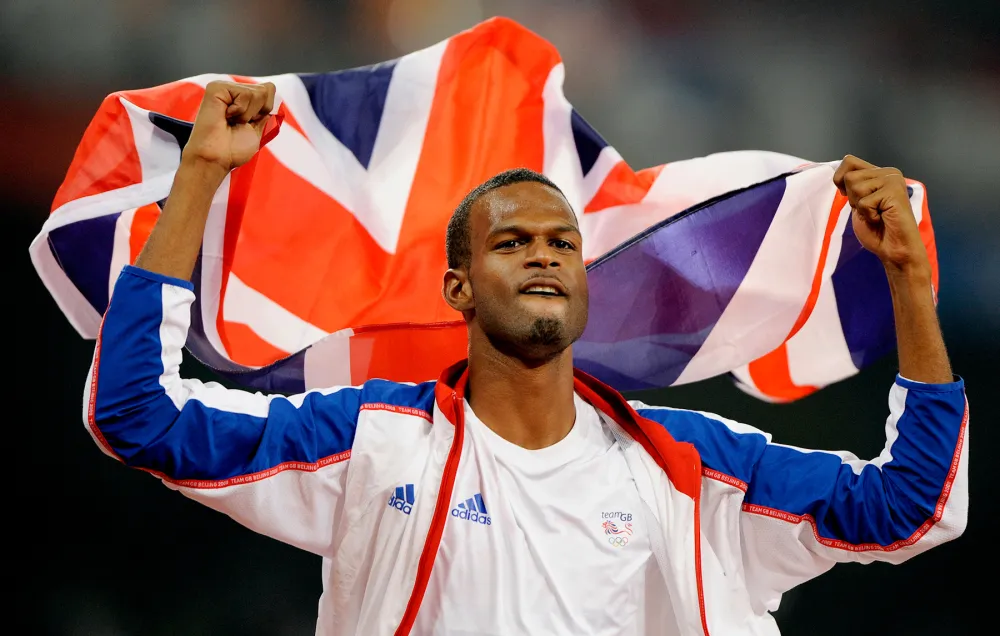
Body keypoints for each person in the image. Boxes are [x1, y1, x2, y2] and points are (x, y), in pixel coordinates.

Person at [84, 80, 968, 635]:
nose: (545, 254)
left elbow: (909, 508)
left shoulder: (694, 469)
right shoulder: (373, 443)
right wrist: (199, 174)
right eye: (512, 244)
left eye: (562, 242)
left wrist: (907, 285)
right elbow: (138, 416)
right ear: (459, 289)